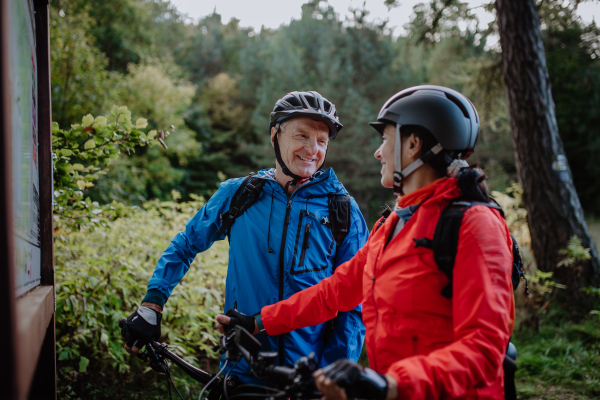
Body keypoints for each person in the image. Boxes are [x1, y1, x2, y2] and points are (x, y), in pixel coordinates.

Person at [216, 86, 515, 399]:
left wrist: (392, 384)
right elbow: (334, 293)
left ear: (413, 145)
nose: (378, 152)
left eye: (385, 140)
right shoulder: (394, 226)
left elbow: (484, 348)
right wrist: (258, 322)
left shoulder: (476, 225)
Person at [120, 91, 368, 384]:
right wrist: (152, 304)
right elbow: (186, 244)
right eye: (302, 136)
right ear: (275, 136)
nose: (312, 149)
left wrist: (331, 374)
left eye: (322, 141)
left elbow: (353, 307)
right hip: (242, 369)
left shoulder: (342, 209)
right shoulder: (241, 194)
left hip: (307, 377)